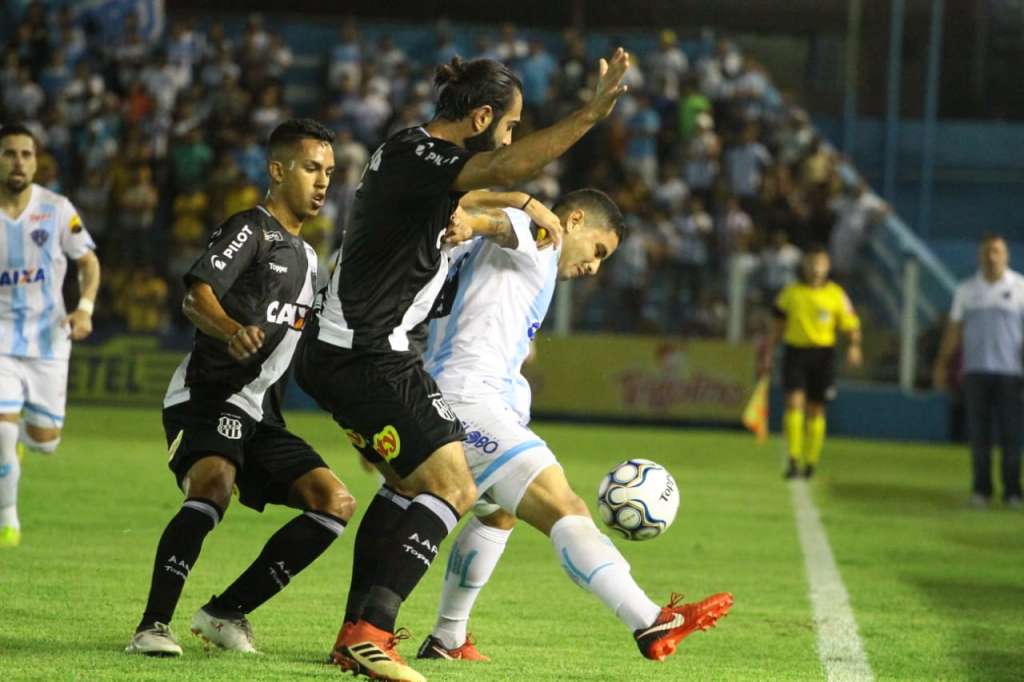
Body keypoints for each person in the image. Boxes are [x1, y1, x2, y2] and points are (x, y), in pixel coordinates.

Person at [295, 49, 631, 682]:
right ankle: (372, 635)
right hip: (365, 352)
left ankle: (353, 635)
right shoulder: (418, 156)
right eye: (507, 126)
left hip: (357, 352)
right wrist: (590, 114)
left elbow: (479, 185)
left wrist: (521, 200)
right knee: (454, 485)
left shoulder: (414, 157)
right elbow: (497, 167)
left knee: (405, 491)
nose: (509, 138)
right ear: (480, 118)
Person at [413, 189, 733, 664]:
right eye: (599, 252)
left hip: (453, 393)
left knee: (497, 514)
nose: (595, 268)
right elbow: (507, 223)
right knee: (564, 504)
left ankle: (447, 638)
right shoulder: (544, 233)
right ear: (576, 221)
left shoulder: (522, 272)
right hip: (467, 399)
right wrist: (476, 221)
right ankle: (649, 620)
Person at [125, 119, 356, 656]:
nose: (322, 182)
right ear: (277, 171)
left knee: (334, 503)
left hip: (261, 415)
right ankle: (152, 627)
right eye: (309, 168)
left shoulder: (309, 258)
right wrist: (231, 330)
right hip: (207, 396)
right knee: (212, 485)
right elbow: (196, 296)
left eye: (328, 171)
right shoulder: (249, 229)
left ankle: (227, 611)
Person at [0, 123, 101, 549]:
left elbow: (89, 263)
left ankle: (26, 438)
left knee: (45, 442)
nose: (18, 162)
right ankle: (8, 519)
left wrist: (85, 308)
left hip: (48, 339)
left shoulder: (57, 208)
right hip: (1, 338)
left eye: (26, 154)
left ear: (36, 161)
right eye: (9, 153)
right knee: (1, 433)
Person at [933, 234, 1024, 509]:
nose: (992, 256)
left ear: (1006, 255)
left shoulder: (1020, 287)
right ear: (979, 255)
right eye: (987, 251)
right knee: (979, 435)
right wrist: (942, 362)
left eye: (997, 251)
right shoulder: (966, 289)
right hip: (975, 373)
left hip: (1011, 373)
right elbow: (954, 330)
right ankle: (981, 491)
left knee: (1011, 435)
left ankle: (1012, 492)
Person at [762, 244, 862, 479]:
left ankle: (811, 461)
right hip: (795, 353)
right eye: (812, 263)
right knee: (794, 404)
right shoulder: (790, 293)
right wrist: (768, 352)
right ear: (804, 266)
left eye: (820, 263)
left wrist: (854, 346)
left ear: (827, 266)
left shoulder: (836, 294)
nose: (816, 268)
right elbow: (777, 327)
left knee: (816, 409)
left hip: (823, 355)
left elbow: (851, 324)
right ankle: (794, 460)